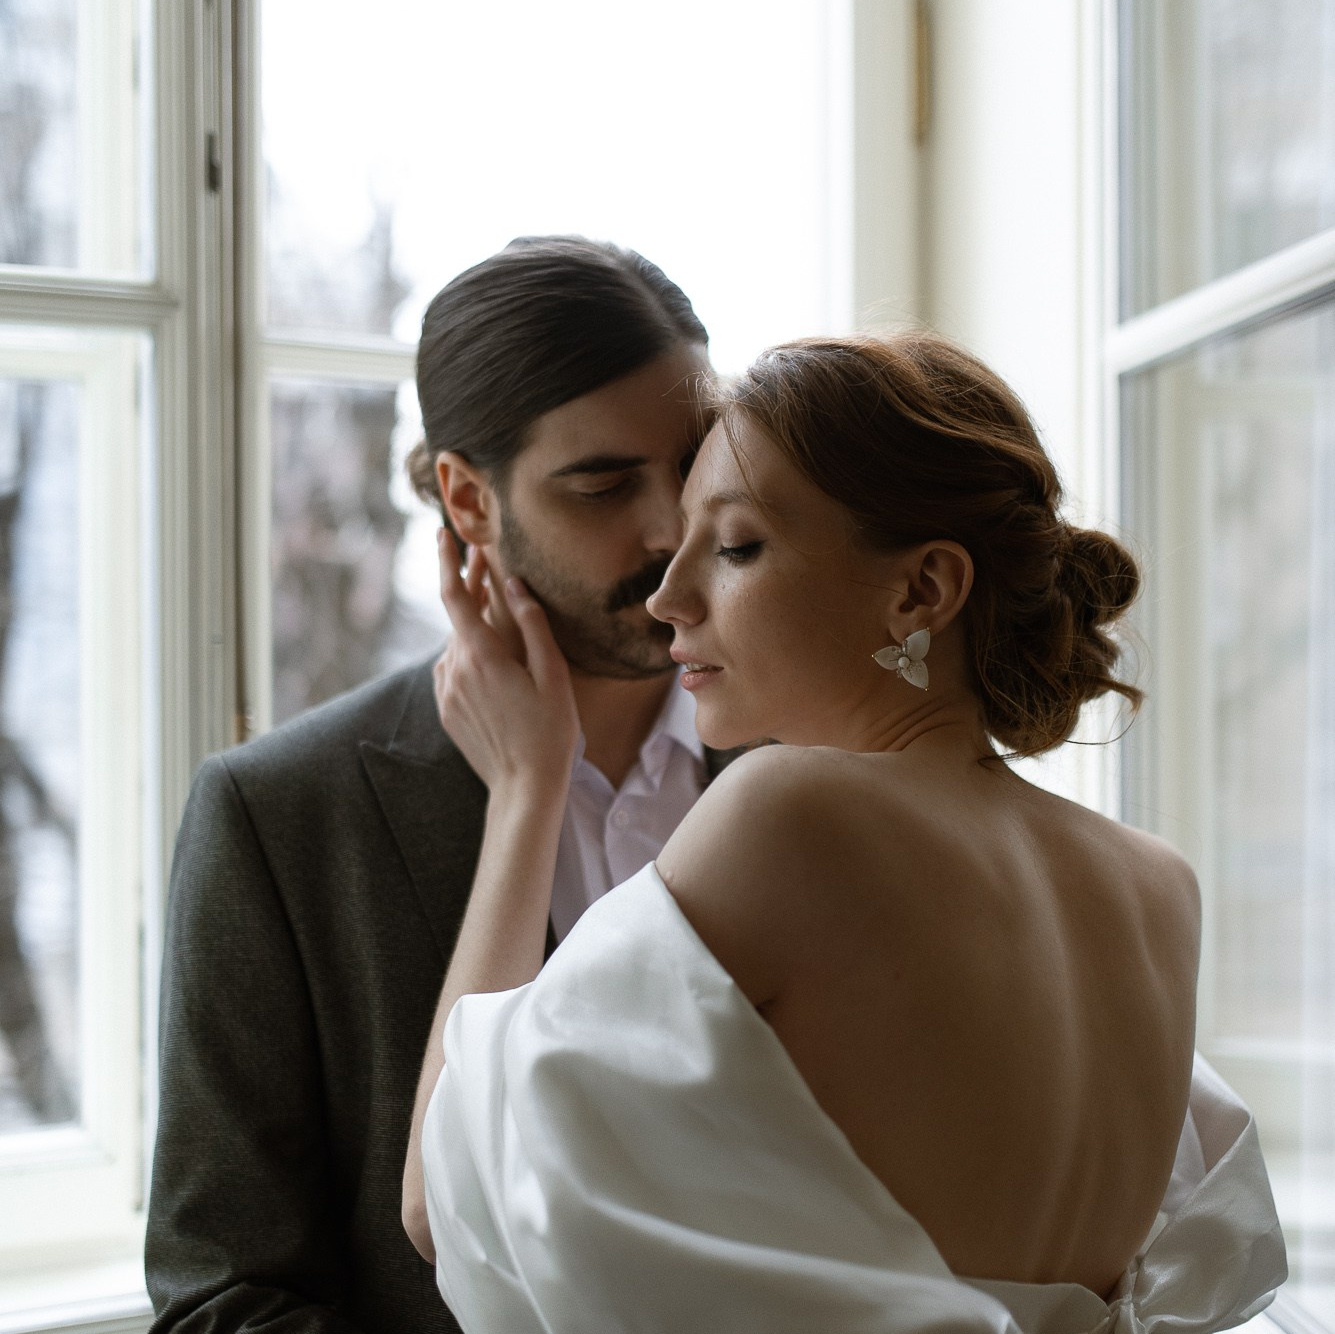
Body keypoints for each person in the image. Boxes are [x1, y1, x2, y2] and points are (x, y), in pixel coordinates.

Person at [405, 332, 1287, 1332]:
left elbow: (445, 1200)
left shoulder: (787, 816)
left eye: (736, 546)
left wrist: (527, 787)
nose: (668, 597)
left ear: (921, 590)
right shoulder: (1157, 885)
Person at [146, 236, 734, 1334]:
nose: (675, 528)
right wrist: (531, 793)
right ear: (468, 499)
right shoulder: (277, 818)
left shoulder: (818, 757)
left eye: (698, 464)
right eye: (604, 484)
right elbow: (224, 1302)